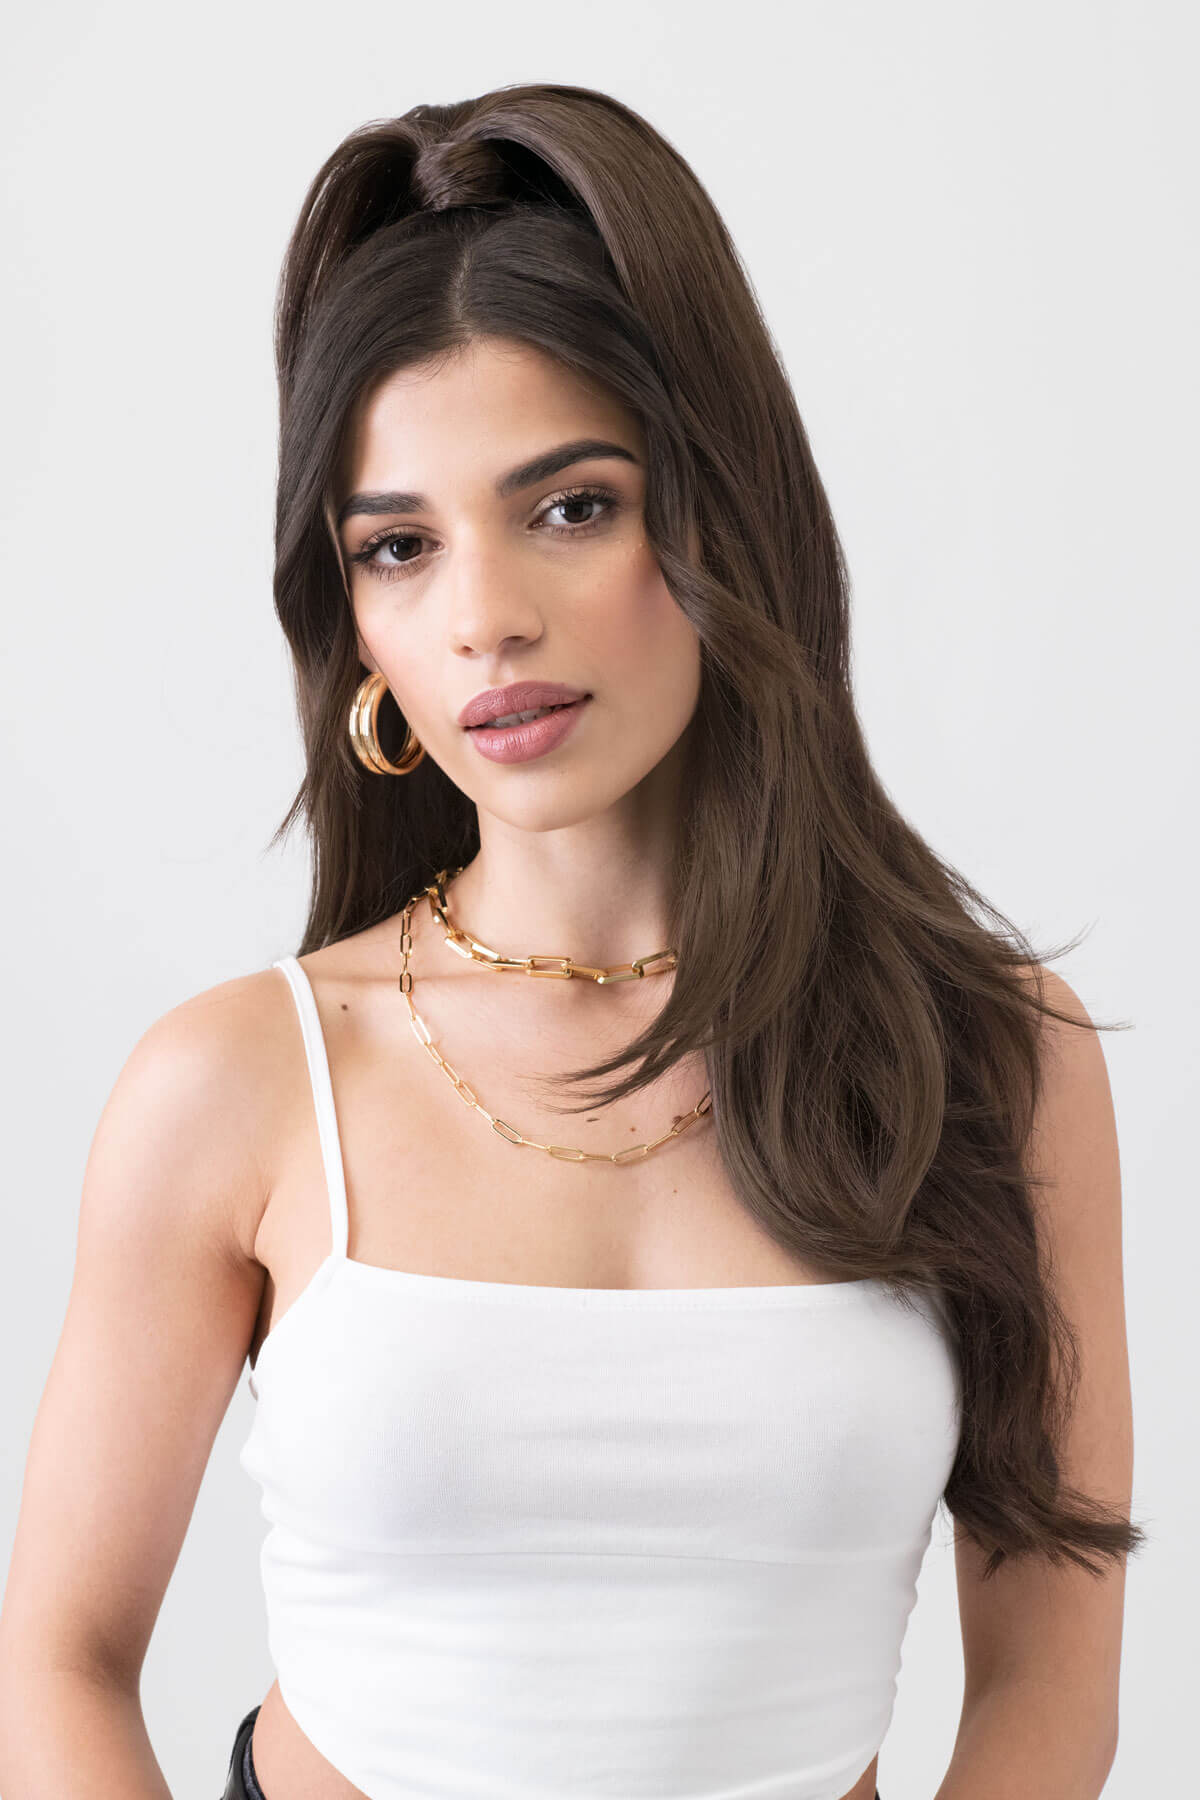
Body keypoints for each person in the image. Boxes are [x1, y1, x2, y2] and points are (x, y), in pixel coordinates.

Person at [0, 83, 1142, 1800]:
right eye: (401, 546)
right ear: (358, 620)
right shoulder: (238, 1083)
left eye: (570, 507)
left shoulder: (987, 1055)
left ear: (719, 512)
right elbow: (61, 1659)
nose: (483, 619)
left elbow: (1049, 1664)